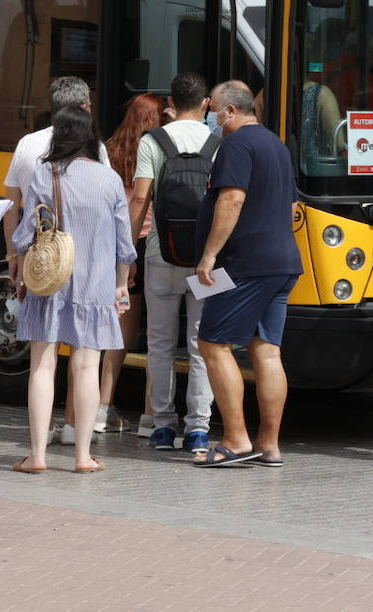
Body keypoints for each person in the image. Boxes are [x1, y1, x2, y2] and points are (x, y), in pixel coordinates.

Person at [11, 106, 136, 474]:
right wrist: (119, 287)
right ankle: (82, 456)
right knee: (86, 369)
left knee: (42, 367)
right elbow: (123, 244)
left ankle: (37, 456)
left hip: (49, 283)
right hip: (95, 288)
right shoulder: (109, 179)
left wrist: (19, 270)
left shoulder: (42, 174)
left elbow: (24, 235)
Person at [193, 81, 303, 468]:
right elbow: (290, 206)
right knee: (266, 350)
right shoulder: (276, 145)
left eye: (215, 110)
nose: (213, 117)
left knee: (213, 344)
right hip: (282, 261)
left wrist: (209, 255)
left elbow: (232, 197)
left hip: (244, 264)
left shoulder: (236, 145)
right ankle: (269, 445)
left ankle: (236, 439)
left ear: (230, 111)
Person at [3, 77, 110, 446]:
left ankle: (39, 443)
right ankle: (75, 436)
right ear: (83, 108)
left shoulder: (27, 146)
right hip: (89, 271)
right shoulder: (98, 154)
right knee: (84, 361)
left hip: (44, 266)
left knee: (43, 359)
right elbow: (110, 219)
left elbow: (13, 212)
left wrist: (14, 259)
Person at [129, 72, 217, 455]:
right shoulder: (218, 142)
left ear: (171, 103)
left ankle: (163, 427)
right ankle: (198, 429)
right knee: (202, 344)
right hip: (206, 261)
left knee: (160, 342)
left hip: (159, 255)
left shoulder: (152, 140)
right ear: (206, 104)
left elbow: (140, 199)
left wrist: (128, 251)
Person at [101, 92, 166, 435]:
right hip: (150, 243)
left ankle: (102, 407)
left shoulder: (109, 149)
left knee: (120, 329)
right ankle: (150, 414)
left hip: (119, 245)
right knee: (157, 332)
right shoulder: (158, 150)